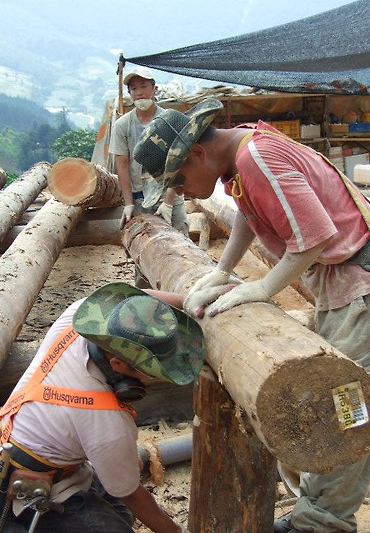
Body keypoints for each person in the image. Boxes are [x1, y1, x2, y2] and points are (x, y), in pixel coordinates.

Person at [133, 97, 370, 533]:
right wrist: (223, 269)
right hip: (344, 287)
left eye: (179, 180)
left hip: (359, 291)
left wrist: (261, 287)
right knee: (343, 405)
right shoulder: (243, 153)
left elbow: (314, 237)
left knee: (343, 411)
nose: (179, 192)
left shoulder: (256, 156)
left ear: (198, 152)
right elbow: (250, 210)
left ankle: (322, 524)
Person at [0, 282, 204, 533]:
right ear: (117, 365)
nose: (152, 378)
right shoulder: (108, 421)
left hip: (38, 452)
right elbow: (132, 495)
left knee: (121, 510)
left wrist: (189, 300)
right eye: (150, 371)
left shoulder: (78, 315)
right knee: (120, 523)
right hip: (35, 490)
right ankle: (4, 521)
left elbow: (138, 300)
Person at [109, 66, 189, 236]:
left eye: (143, 86)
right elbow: (122, 165)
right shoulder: (122, 125)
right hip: (140, 196)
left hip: (169, 193)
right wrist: (129, 203)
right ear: (129, 94)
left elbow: (179, 161)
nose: (139, 92)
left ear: (155, 89)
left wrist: (168, 202)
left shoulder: (170, 120)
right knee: (145, 244)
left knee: (181, 238)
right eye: (134, 88)